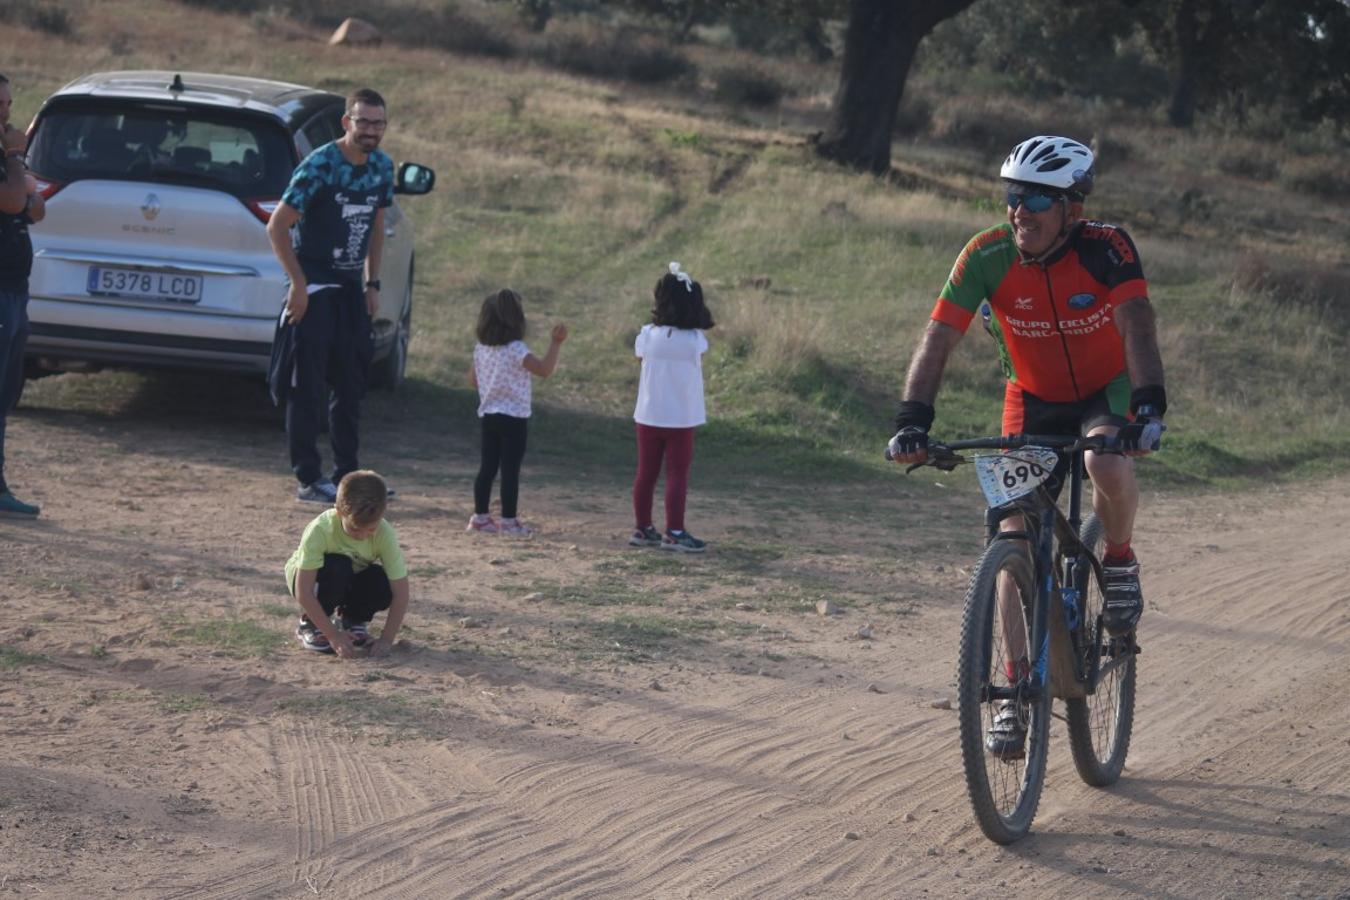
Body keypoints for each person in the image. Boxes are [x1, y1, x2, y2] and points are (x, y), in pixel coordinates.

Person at [887, 135, 1166, 757]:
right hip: (1031, 397)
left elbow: (1137, 323)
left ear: (1073, 207)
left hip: (1106, 389)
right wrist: (912, 420)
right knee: (1011, 536)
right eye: (1014, 195)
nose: (1021, 210)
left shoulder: (1108, 248)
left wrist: (1147, 406)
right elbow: (939, 338)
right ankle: (1013, 693)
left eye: (1038, 197)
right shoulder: (985, 254)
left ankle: (1117, 560)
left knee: (1103, 458)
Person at [267, 88, 394, 504]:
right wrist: (298, 286)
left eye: (378, 123)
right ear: (347, 122)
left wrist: (372, 284)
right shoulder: (321, 164)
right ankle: (308, 477)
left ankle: (348, 477)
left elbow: (377, 227)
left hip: (350, 288)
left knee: (351, 384)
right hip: (315, 285)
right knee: (308, 388)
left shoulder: (381, 168)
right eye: (363, 121)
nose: (371, 131)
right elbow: (277, 226)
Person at [629, 262, 715, 553]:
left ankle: (642, 528)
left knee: (646, 473)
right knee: (677, 474)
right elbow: (698, 353)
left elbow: (642, 360)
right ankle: (675, 532)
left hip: (648, 415)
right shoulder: (694, 340)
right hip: (681, 418)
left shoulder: (647, 335)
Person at [467, 289, 566, 537]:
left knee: (487, 468)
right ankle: (509, 522)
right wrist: (555, 344)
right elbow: (543, 370)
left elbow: (473, 381)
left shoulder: (481, 349)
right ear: (516, 320)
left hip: (489, 415)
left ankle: (480, 518)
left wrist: (492, 379)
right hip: (514, 419)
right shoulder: (516, 349)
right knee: (510, 470)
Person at [285, 470, 409, 658]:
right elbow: (304, 592)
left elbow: (401, 593)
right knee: (338, 565)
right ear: (338, 510)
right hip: (311, 581)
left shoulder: (385, 534)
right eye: (354, 528)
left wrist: (386, 639)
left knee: (380, 579)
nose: (362, 535)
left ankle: (353, 620)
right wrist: (333, 635)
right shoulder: (320, 529)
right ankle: (310, 623)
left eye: (371, 529)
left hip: (349, 578)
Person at [0, 73, 45, 518]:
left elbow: (35, 207)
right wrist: (16, 157)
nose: (6, 113)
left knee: (6, 393)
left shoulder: (6, 156)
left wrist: (18, 165)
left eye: (9, 104)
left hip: (15, 289)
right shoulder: (6, 156)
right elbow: (14, 202)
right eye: (0, 104)